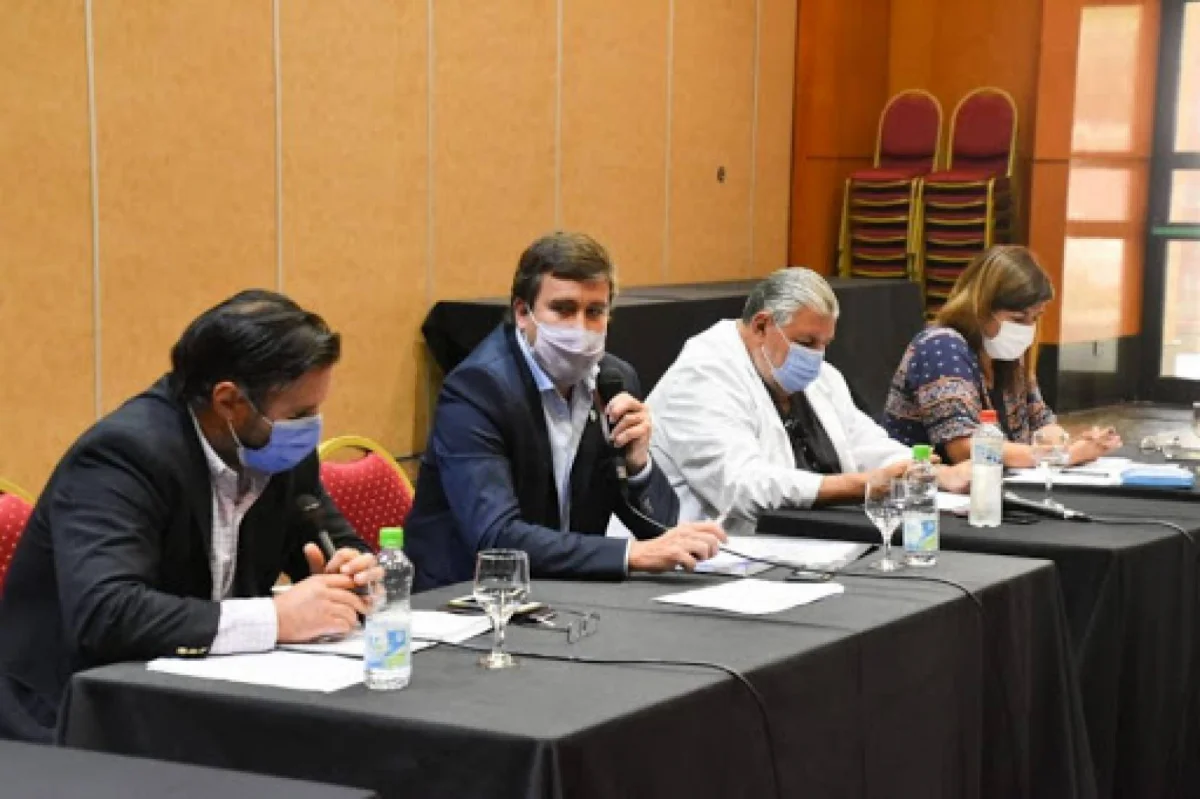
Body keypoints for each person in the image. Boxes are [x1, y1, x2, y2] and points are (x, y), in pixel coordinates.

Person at [0, 291, 380, 743]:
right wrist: (276, 618)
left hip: (202, 695)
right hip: (76, 715)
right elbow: (106, 613)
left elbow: (336, 545)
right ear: (228, 401)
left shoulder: (278, 452)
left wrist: (356, 576)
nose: (311, 428)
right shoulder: (124, 455)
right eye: (299, 413)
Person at [405, 231, 725, 591]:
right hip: (464, 598)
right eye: (563, 309)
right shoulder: (478, 389)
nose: (580, 328)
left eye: (595, 312)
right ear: (522, 312)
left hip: (565, 593)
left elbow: (662, 533)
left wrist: (638, 466)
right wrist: (629, 554)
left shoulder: (614, 381)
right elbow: (496, 537)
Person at [647, 267, 971, 537]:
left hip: (810, 538)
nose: (816, 356)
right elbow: (743, 486)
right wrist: (858, 486)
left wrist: (931, 474)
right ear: (761, 325)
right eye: (806, 342)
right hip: (713, 553)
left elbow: (863, 442)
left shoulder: (817, 375)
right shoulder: (702, 376)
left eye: (825, 343)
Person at [884, 245, 1121, 466]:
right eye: (1018, 319)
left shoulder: (1007, 356)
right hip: (927, 486)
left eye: (1035, 318)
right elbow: (964, 449)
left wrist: (1068, 441)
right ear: (979, 309)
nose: (1027, 328)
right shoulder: (942, 347)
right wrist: (1061, 456)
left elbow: (1041, 422)